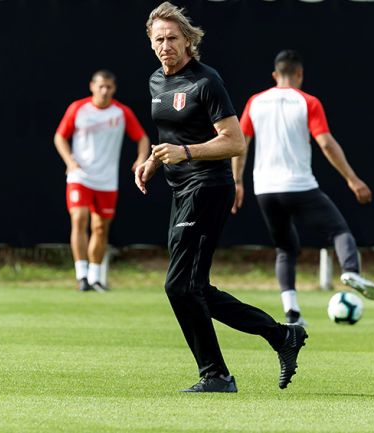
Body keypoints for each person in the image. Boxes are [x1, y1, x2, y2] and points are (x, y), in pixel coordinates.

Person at [135, 2, 307, 393]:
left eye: (173, 38)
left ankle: (216, 375)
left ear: (188, 40)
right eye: (159, 39)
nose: (166, 45)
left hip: (208, 188)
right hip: (180, 189)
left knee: (179, 286)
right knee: (193, 287)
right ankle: (281, 336)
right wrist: (153, 160)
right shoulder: (155, 82)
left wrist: (187, 153)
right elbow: (170, 135)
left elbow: (235, 141)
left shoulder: (205, 81)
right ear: (150, 41)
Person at [234, 49, 374, 326]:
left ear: (276, 75)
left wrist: (237, 181)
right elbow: (326, 142)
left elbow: (240, 144)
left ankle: (292, 313)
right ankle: (350, 270)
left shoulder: (255, 101)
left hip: (264, 189)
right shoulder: (308, 102)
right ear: (300, 74)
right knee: (339, 230)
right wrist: (352, 179)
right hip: (299, 185)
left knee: (285, 249)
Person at [54, 70, 150, 293]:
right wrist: (70, 161)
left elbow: (142, 138)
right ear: (92, 86)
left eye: (109, 87)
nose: (104, 91)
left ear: (114, 89)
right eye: (101, 86)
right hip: (80, 176)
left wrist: (140, 159)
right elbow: (60, 136)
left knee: (100, 227)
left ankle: (95, 277)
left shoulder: (122, 112)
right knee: (79, 218)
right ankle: (81, 276)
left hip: (107, 180)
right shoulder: (78, 108)